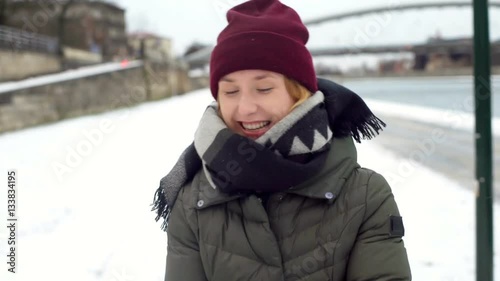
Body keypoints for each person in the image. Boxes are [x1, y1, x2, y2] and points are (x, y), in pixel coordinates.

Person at [152, 0, 412, 280]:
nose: (246, 107)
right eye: (230, 91)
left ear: (299, 93)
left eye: (263, 88)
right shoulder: (191, 201)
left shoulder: (366, 196)